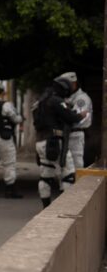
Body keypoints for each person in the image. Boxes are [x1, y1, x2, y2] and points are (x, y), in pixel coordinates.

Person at [33, 74, 87, 208]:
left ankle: (46, 206)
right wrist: (81, 114)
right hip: (54, 141)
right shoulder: (56, 101)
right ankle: (64, 207)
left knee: (46, 174)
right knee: (68, 173)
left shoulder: (41, 101)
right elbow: (70, 118)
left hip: (41, 141)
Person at [64, 72, 92, 169]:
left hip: (76, 134)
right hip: (68, 134)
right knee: (66, 167)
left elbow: (76, 118)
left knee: (76, 166)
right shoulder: (70, 98)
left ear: (74, 84)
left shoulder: (82, 99)